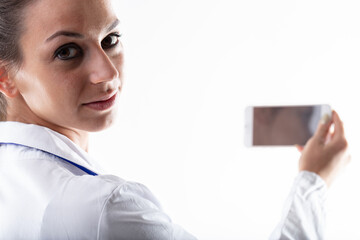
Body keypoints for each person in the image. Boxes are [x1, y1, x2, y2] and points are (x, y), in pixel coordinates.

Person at [0, 0, 350, 239]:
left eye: (111, 39)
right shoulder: (104, 206)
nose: (106, 73)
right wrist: (313, 181)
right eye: (68, 52)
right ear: (6, 78)